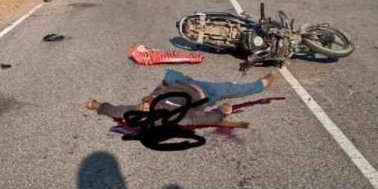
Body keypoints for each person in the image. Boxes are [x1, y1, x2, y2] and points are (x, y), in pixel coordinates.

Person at [86, 68, 278, 128]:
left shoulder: (140, 107)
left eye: (144, 106)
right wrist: (221, 111)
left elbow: (116, 110)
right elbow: (203, 119)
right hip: (205, 92)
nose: (143, 107)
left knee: (169, 75)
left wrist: (97, 105)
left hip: (178, 81)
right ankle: (262, 84)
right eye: (146, 110)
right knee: (230, 88)